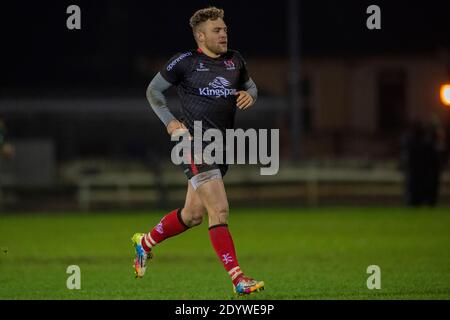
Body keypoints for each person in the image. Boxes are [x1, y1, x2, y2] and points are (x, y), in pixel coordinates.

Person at [132, 7, 264, 295]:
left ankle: (144, 243)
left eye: (225, 29)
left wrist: (248, 95)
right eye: (217, 30)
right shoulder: (185, 62)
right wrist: (170, 122)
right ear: (201, 36)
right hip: (193, 146)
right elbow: (153, 92)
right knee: (219, 210)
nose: (224, 34)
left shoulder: (235, 61)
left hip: (221, 148)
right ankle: (238, 279)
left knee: (192, 215)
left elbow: (251, 88)